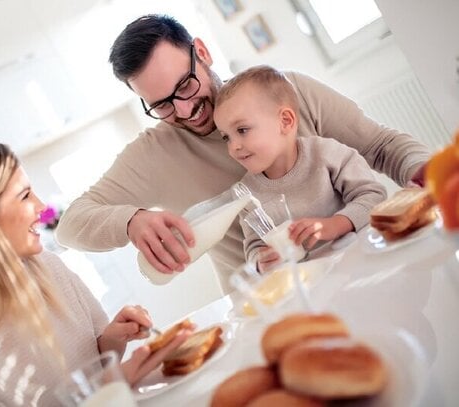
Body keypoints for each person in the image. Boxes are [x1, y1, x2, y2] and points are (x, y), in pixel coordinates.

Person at [55, 14, 429, 293]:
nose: (184, 111)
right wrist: (131, 221)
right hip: (273, 308)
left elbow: (381, 146)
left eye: (185, 86)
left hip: (363, 271)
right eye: (162, 105)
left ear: (201, 52)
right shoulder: (153, 155)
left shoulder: (285, 92)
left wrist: (434, 176)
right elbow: (71, 225)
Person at [0, 143, 192, 406]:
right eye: (24, 196)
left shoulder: (48, 266)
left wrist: (113, 338)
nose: (42, 209)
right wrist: (108, 390)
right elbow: (99, 388)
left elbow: (95, 363)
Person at [214, 66, 387, 271]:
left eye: (242, 130)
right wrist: (261, 262)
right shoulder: (246, 194)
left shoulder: (325, 154)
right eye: (226, 137)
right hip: (311, 285)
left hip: (361, 264)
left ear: (285, 121)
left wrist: (335, 224)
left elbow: (374, 196)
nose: (233, 147)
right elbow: (253, 246)